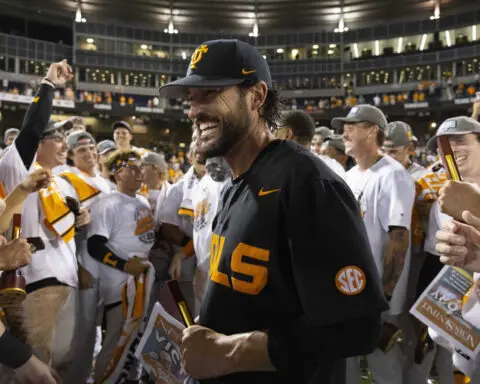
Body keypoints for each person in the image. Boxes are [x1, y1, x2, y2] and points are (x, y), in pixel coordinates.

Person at [159, 38, 387, 383]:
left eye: (210, 94)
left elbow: (357, 325)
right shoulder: (236, 181)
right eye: (191, 99)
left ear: (256, 96)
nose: (194, 110)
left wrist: (229, 352)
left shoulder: (306, 181)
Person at [331, 105, 415, 384]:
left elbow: (398, 238)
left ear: (372, 130)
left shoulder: (393, 174)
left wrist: (386, 296)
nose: (344, 132)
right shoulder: (351, 175)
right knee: (348, 362)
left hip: (378, 294)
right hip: (352, 287)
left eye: (351, 126)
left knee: (384, 366)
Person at [86, 149, 155, 383]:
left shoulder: (143, 201)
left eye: (140, 167)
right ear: (117, 175)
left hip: (142, 284)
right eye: (131, 168)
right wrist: (125, 266)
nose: (139, 172)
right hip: (121, 288)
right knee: (116, 344)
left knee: (136, 345)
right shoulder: (107, 203)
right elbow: (94, 245)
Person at [276, 110, 346, 179]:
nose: (273, 135)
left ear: (287, 134)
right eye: (313, 144)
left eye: (275, 131)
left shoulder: (332, 167)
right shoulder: (331, 170)